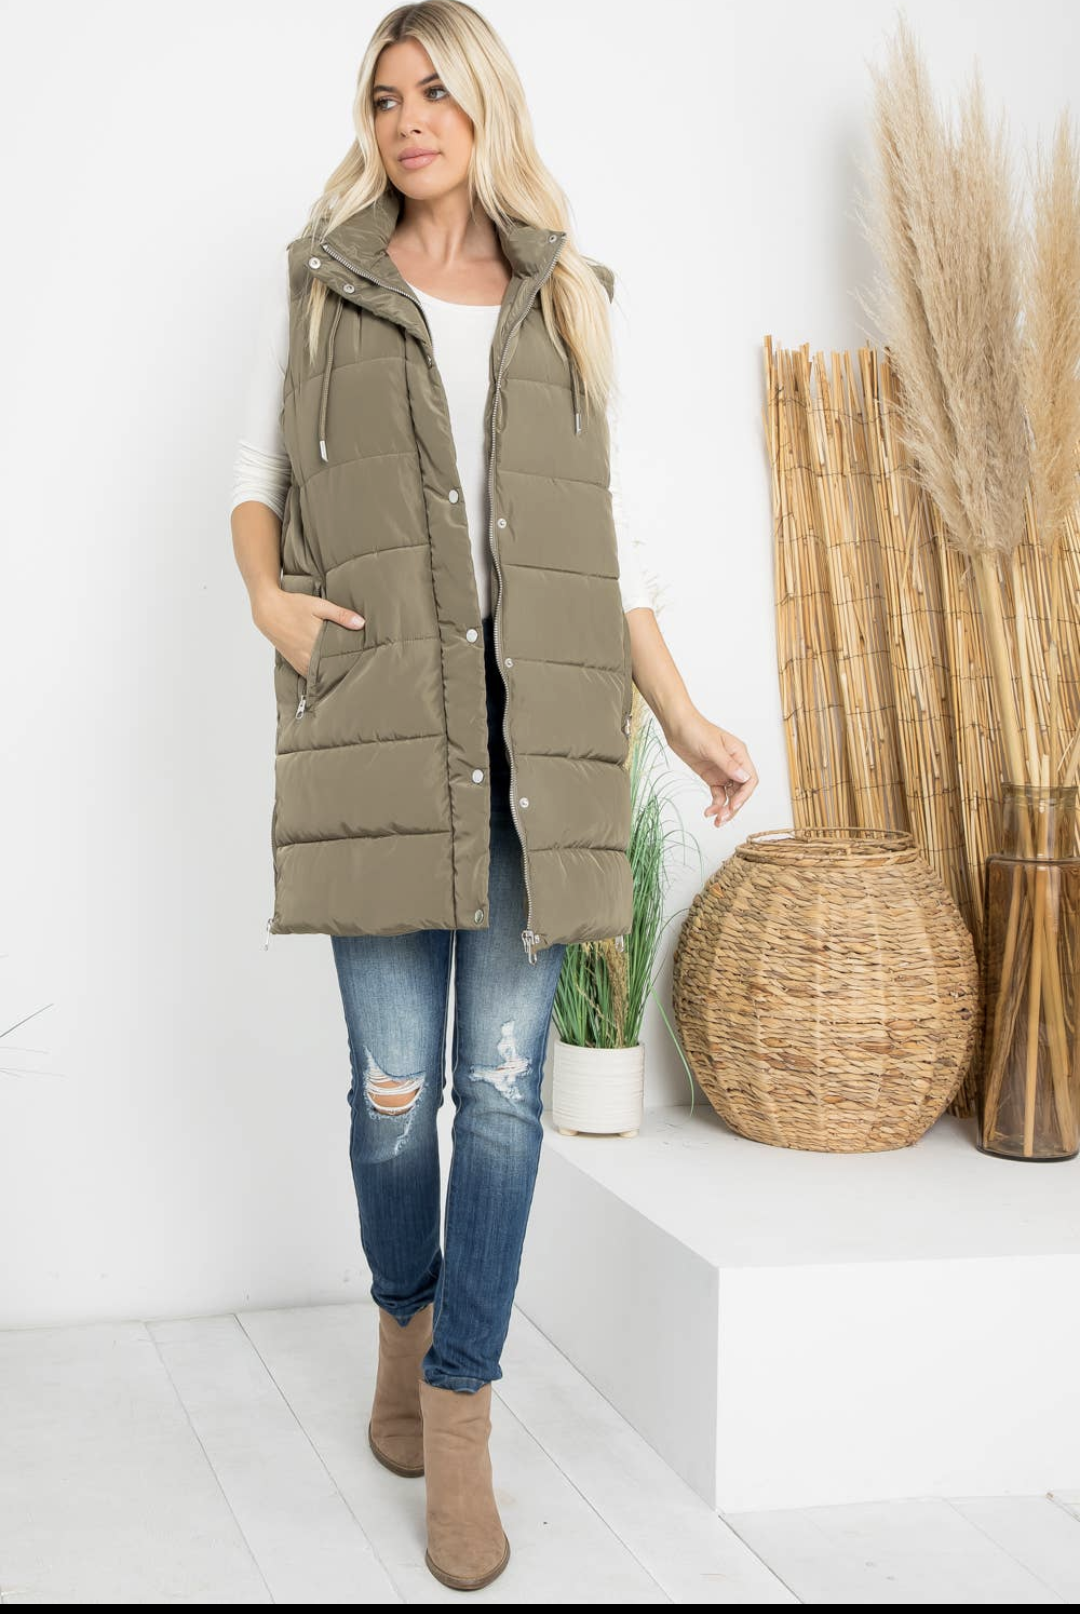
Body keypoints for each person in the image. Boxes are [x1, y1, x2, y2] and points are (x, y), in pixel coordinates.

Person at [230, 0, 757, 1591]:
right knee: (394, 1091)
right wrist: (270, 605)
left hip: (536, 747)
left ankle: (458, 1411)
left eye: (436, 91)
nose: (409, 119)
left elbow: (620, 545)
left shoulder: (569, 299)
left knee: (505, 1095)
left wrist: (685, 716)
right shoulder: (324, 287)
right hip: (382, 733)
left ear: (485, 108)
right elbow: (253, 480)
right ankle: (404, 1318)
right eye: (386, 96)